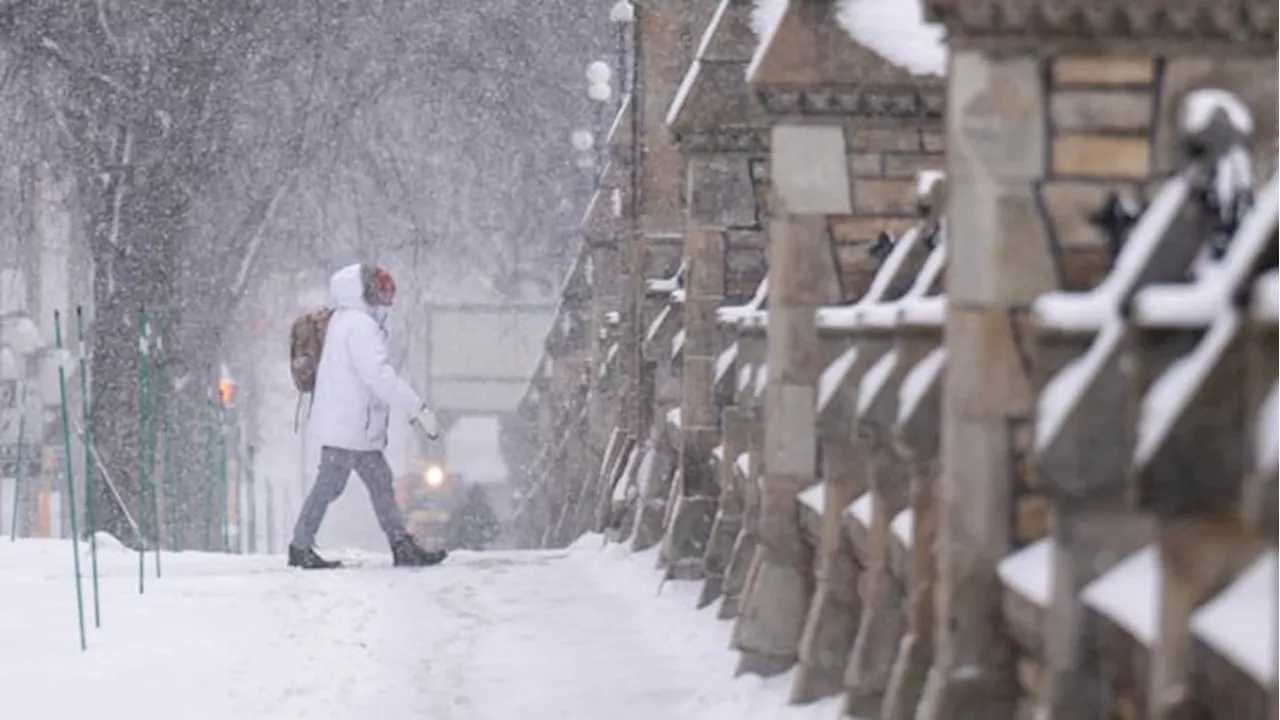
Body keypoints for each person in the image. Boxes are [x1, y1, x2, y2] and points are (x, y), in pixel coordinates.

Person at [288, 263, 446, 569]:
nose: (389, 299)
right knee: (331, 485)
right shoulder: (360, 327)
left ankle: (400, 544)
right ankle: (300, 545)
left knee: (378, 482)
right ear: (367, 292)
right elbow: (379, 377)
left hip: (350, 424)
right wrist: (417, 408)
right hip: (349, 426)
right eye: (384, 291)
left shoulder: (346, 321)